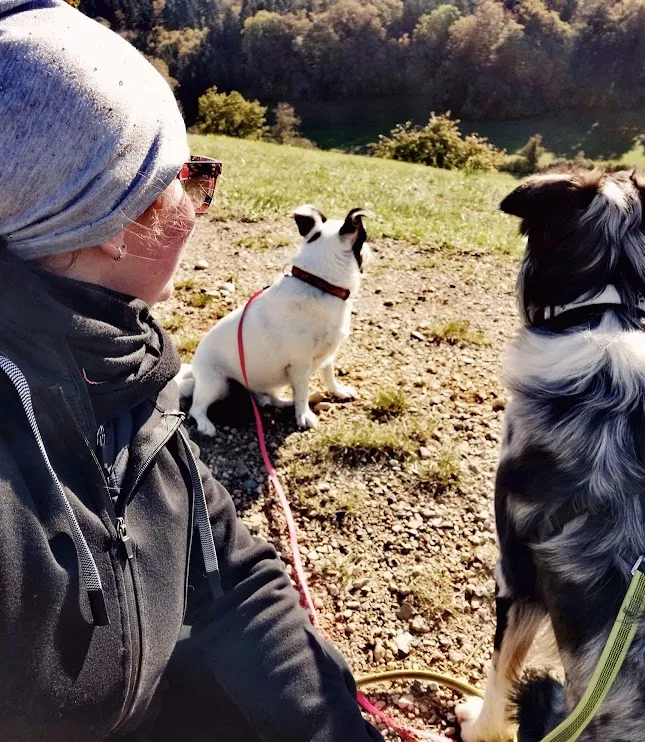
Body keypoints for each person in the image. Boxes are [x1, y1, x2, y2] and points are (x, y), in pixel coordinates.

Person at [0, 1, 384, 740]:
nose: (202, 200)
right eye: (189, 176)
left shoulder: (124, 362)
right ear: (112, 225)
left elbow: (227, 571)